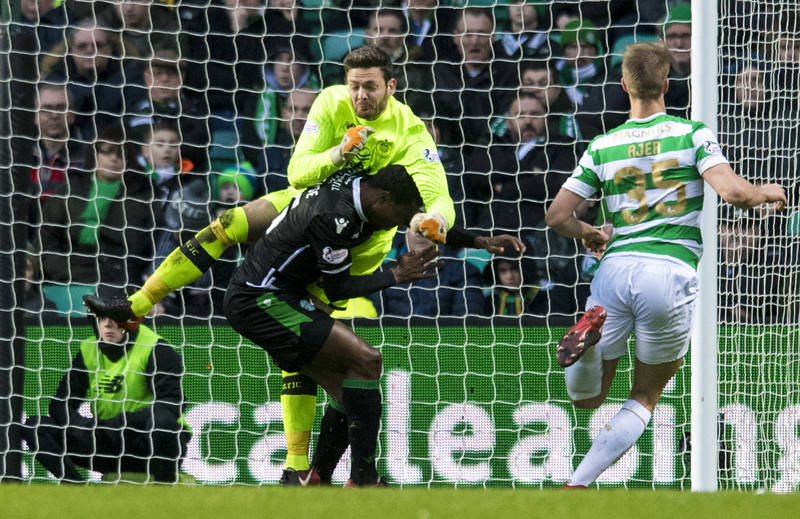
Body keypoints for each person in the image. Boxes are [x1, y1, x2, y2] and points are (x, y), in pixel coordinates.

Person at [85, 46, 523, 485]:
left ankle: (300, 466)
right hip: (310, 209)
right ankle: (138, 304)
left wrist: (438, 222)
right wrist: (337, 155)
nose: (360, 96)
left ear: (390, 86)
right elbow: (298, 172)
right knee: (229, 222)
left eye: (370, 86)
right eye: (354, 86)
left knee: (307, 349)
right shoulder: (332, 101)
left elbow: (436, 195)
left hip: (361, 240)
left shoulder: (410, 133)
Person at [544, 42, 786, 488]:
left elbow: (557, 216)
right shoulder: (691, 134)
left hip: (614, 271)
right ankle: (577, 484)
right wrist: (767, 190)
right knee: (645, 394)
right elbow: (733, 193)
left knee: (589, 398)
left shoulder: (603, 145)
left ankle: (585, 336)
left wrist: (591, 235)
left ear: (623, 86)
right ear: (667, 86)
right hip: (669, 271)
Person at [224, 166, 442, 486]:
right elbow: (339, 289)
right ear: (383, 199)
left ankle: (316, 479)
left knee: (350, 390)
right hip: (260, 300)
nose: (392, 227)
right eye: (395, 218)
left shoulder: (353, 184)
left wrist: (479, 239)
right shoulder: (334, 219)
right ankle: (363, 478)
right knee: (367, 360)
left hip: (276, 295)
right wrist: (394, 275)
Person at [22, 290, 191, 483]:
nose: (108, 325)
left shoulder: (156, 347)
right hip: (107, 442)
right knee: (36, 426)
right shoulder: (88, 348)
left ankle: (165, 487)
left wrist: (121, 422)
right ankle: (75, 488)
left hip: (147, 445)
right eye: (102, 318)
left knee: (164, 423)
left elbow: (172, 405)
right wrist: (80, 426)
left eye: (115, 319)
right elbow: (60, 404)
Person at [40, 124, 155, 314]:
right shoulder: (71, 188)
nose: (113, 158)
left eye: (121, 154)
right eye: (107, 152)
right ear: (95, 155)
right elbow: (47, 235)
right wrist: (61, 269)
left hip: (116, 280)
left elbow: (140, 246)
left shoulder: (142, 194)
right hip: (66, 275)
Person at [369, 230, 486, 318]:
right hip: (394, 345)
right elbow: (378, 319)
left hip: (447, 346)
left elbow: (469, 321)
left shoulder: (465, 272)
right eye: (416, 228)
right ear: (405, 232)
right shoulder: (383, 272)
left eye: (429, 227)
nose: (422, 233)